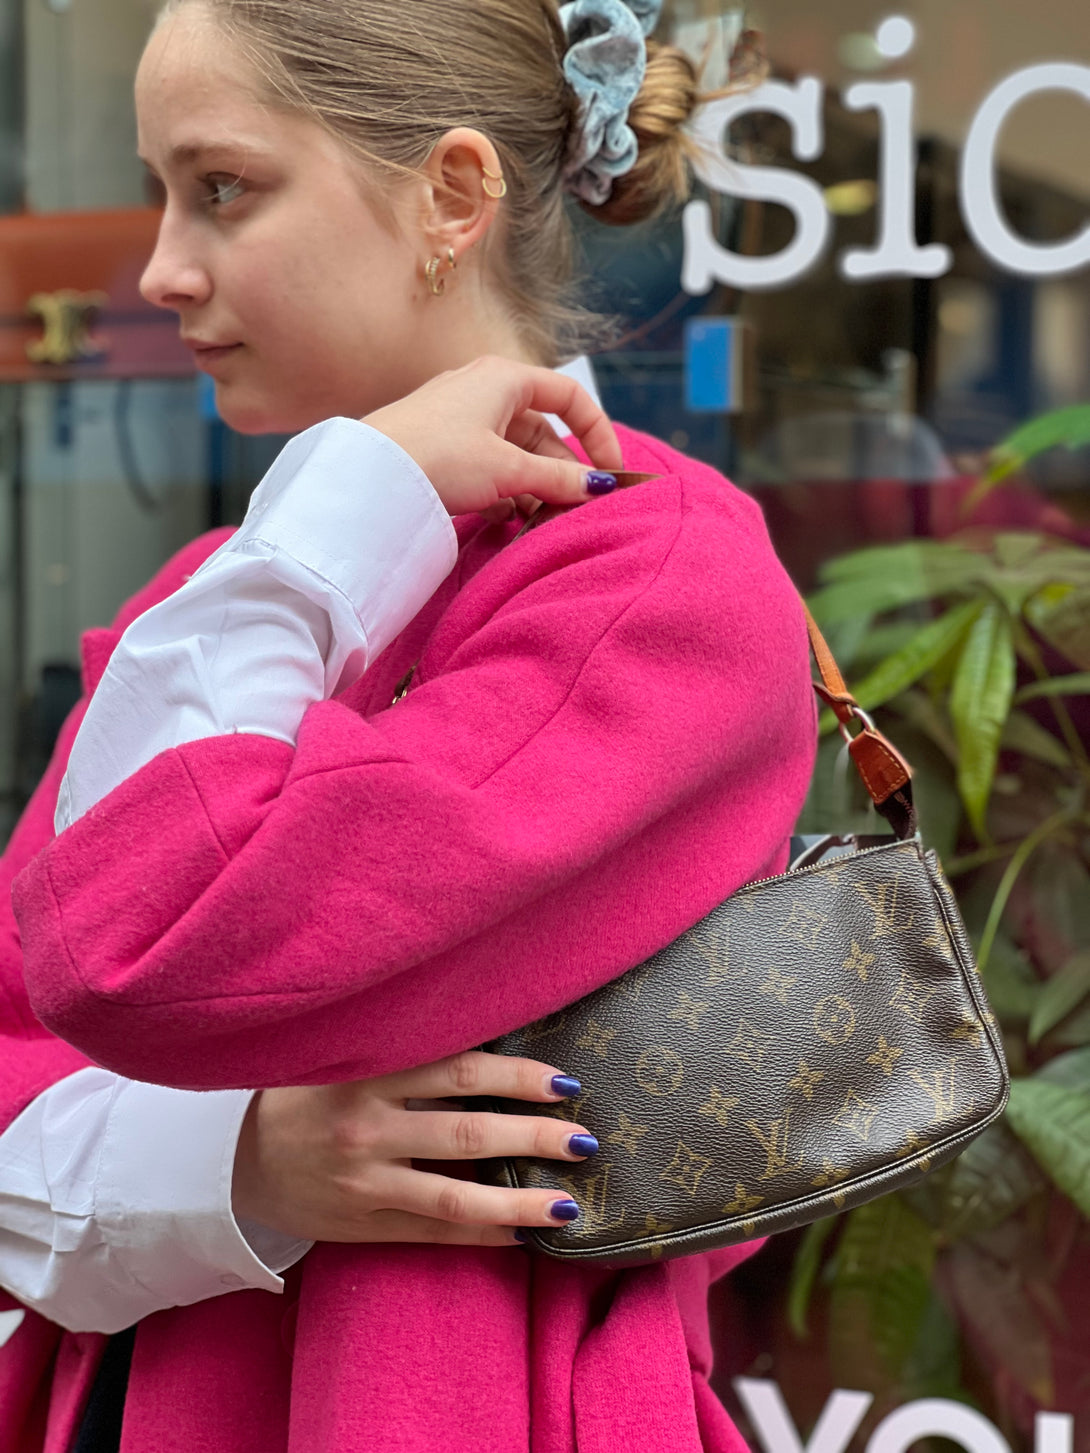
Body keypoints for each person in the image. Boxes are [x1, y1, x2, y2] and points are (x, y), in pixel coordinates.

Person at [0, 0, 817, 1448]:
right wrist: (239, 1165)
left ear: (450, 193)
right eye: (161, 193)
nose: (163, 268)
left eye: (222, 187)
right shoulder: (231, 588)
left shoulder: (652, 583)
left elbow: (143, 946)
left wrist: (337, 509)